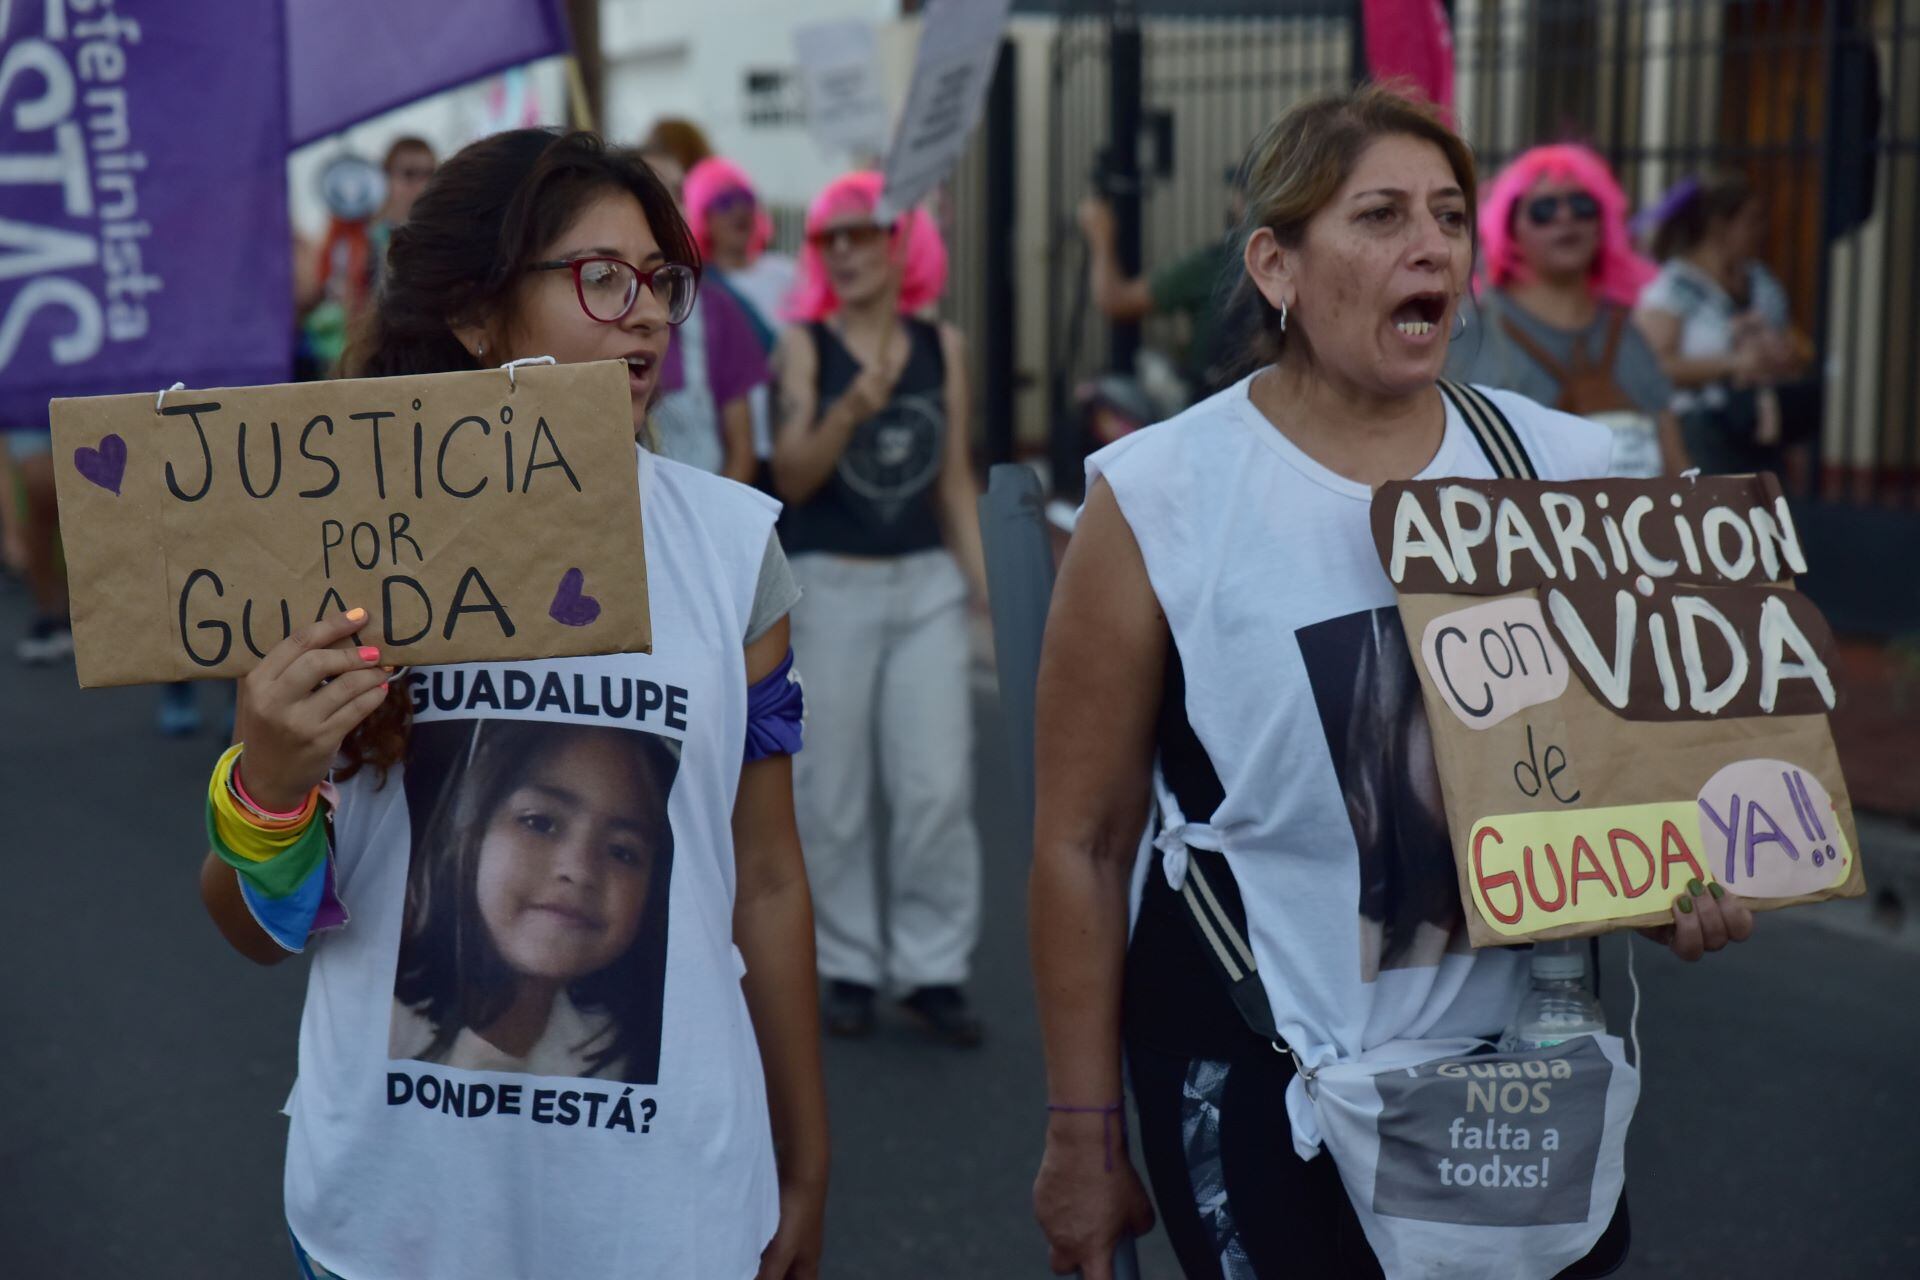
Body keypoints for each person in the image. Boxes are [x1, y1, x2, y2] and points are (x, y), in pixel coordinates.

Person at [1029, 85, 1755, 1280]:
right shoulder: (1161, 493)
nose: (1431, 247)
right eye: (1379, 216)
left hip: (1513, 1077)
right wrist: (1078, 1136)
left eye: (1450, 217)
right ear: (1276, 266)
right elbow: (1085, 840)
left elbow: (1627, 767)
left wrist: (1674, 873)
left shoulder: (1560, 466)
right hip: (1257, 1071)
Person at [194, 129, 826, 1280]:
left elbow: (770, 878)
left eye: (661, 280)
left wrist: (806, 1157)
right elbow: (252, 929)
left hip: (669, 1213)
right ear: (478, 315)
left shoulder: (733, 550)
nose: (647, 313)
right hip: (394, 1216)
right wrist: (268, 785)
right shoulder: (342, 547)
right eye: (601, 277)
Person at [770, 171, 990, 1046]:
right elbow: (791, 477)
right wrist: (855, 403)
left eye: (863, 233)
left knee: (937, 785)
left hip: (926, 586)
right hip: (829, 585)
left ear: (904, 245)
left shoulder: (944, 346)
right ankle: (851, 964)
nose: (846, 251)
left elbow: (954, 479)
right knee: (832, 792)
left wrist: (984, 592)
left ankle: (934, 967)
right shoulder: (803, 347)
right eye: (831, 237)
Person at [390, 721, 680, 1081]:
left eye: (622, 852)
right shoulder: (385, 1017)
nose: (580, 870)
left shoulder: (611, 1055)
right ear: (471, 836)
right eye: (540, 823)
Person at [1449, 144, 1688, 476]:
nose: (1566, 217)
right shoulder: (1469, 332)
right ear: (1510, 228)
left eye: (1582, 205)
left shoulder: (1629, 334)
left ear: (1602, 223)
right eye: (1544, 209)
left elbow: (1675, 466)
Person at [1633, 172, 1811, 475]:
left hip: (1762, 428)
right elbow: (1650, 367)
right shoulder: (1675, 287)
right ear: (1719, 225)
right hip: (1700, 433)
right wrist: (1733, 364)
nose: (1762, 230)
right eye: (1752, 220)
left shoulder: (1761, 282)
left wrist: (1784, 355)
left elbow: (1796, 343)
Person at [640, 147, 768, 482]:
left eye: (679, 193)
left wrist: (712, 515)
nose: (671, 207)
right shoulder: (595, 311)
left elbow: (741, 450)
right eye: (654, 192)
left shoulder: (716, 310)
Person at [1077, 165, 1247, 400]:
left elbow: (1114, 300)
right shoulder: (1285, 262)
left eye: (1238, 194)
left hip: (1211, 398)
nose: (1232, 202)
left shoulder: (1219, 263)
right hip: (1256, 399)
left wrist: (1100, 234)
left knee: (1104, 395)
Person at [685, 156, 799, 465]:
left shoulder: (787, 273)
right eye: (723, 202)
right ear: (703, 216)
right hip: (732, 447)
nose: (739, 210)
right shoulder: (696, 291)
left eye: (745, 198)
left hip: (788, 440)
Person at [4, 427, 69, 664]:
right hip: (30, 412)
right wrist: (11, 532)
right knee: (37, 484)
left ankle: (71, 609)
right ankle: (49, 609)